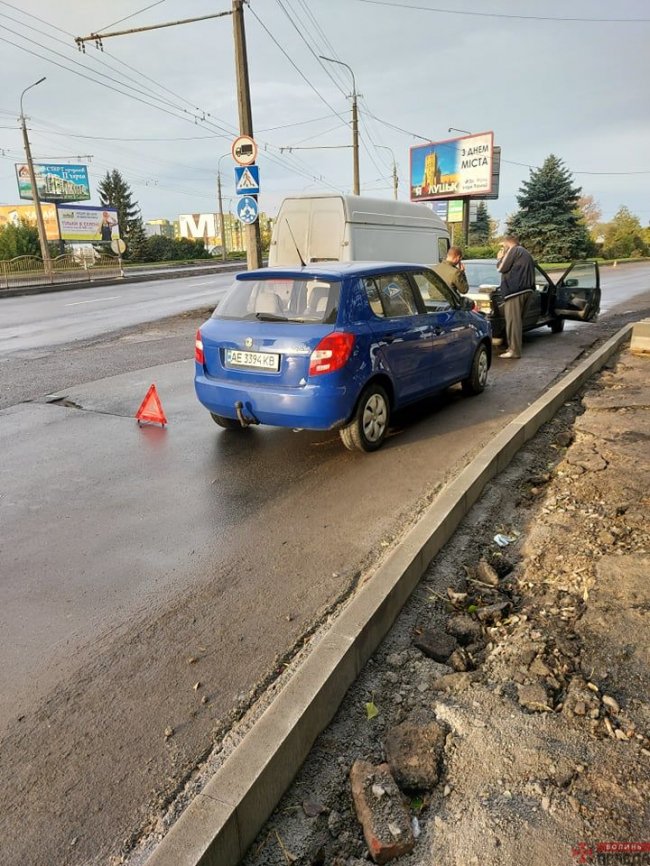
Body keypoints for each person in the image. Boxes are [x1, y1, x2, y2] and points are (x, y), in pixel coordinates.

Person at [496, 236, 535, 359]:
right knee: (517, 323)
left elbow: (501, 268)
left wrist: (500, 258)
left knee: (513, 322)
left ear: (508, 244)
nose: (503, 249)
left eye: (503, 246)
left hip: (515, 292)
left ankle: (514, 351)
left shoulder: (514, 250)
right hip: (527, 290)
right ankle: (513, 348)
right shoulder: (525, 252)